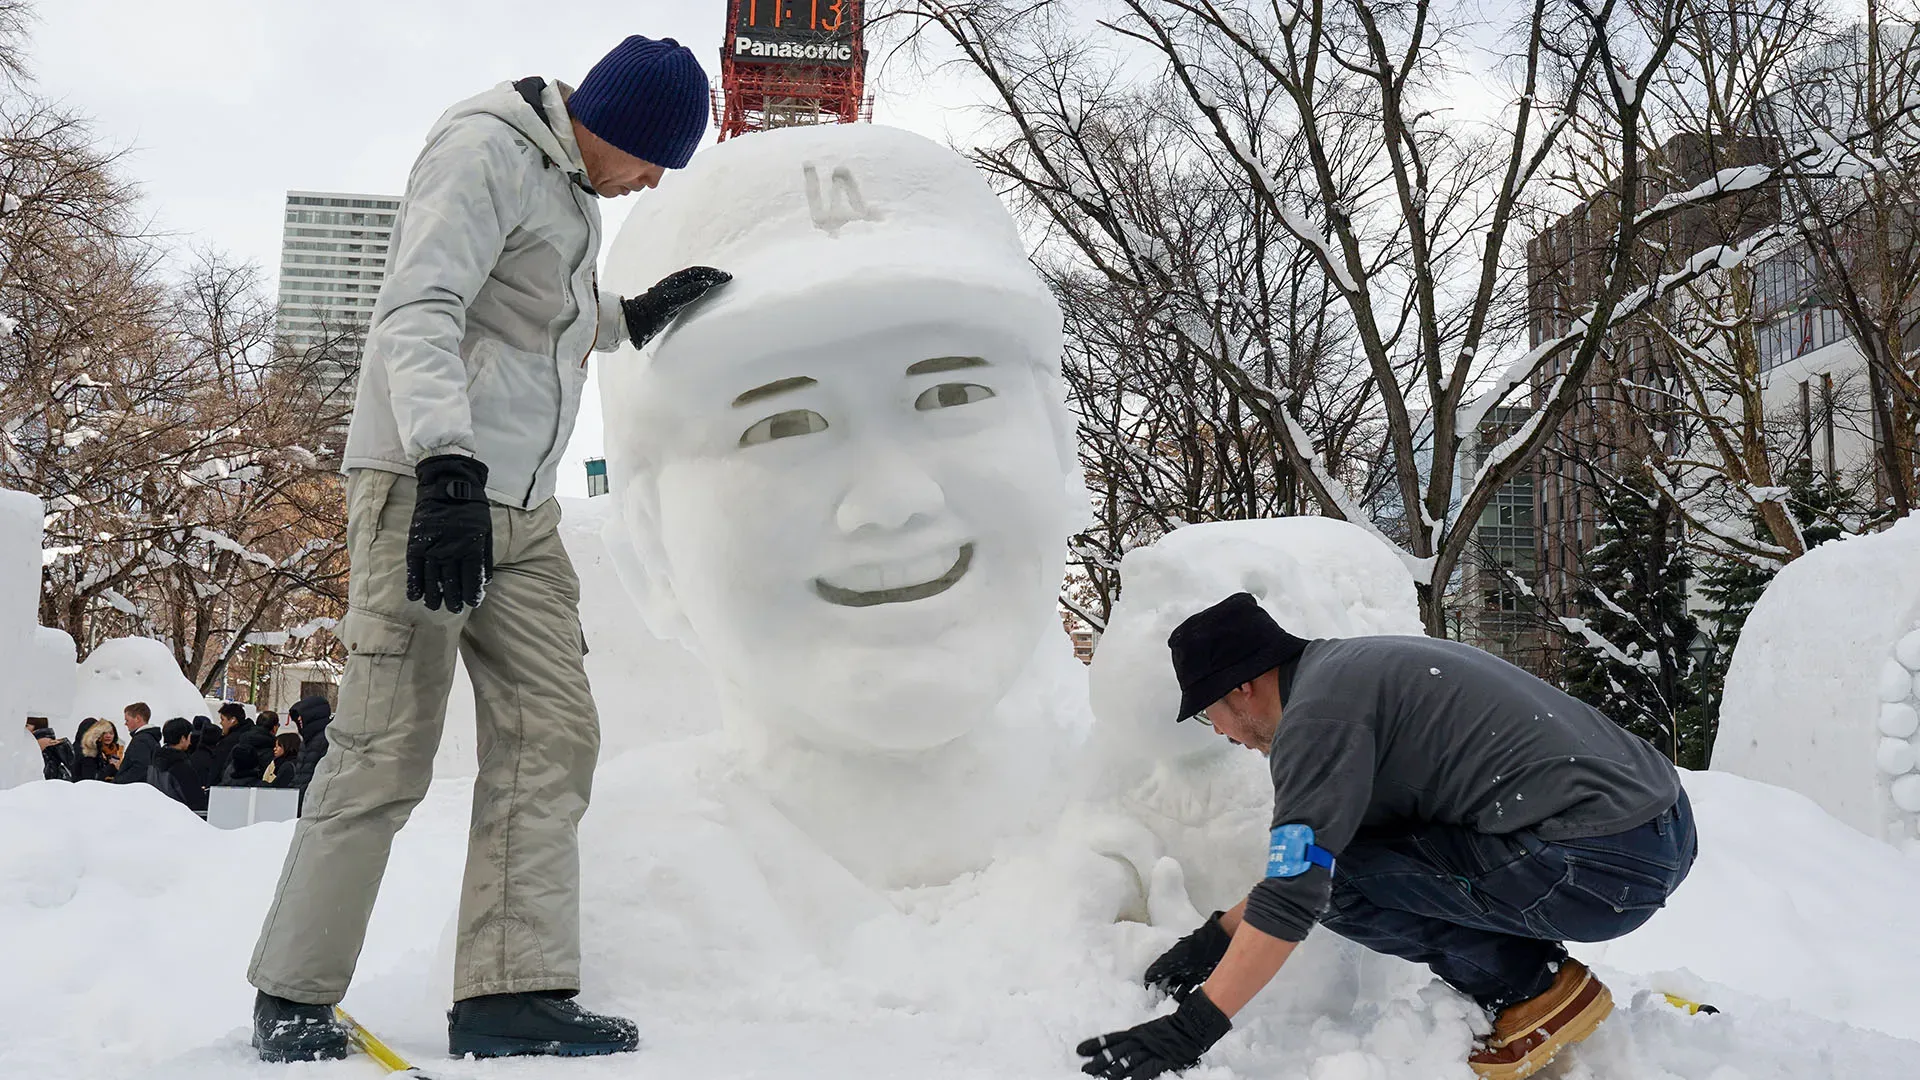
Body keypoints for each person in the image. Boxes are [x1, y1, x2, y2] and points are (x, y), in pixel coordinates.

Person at [247, 35, 727, 1065]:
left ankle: (511, 990)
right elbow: (418, 311)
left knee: (555, 732)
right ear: (614, 126)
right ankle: (291, 992)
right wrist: (447, 471)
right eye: (651, 162)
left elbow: (530, 317)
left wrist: (625, 317)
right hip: (428, 486)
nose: (647, 186)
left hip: (522, 507)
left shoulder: (569, 189)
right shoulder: (484, 148)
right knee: (384, 748)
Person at [1076, 593, 1697, 1080]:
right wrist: (1215, 938)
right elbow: (1315, 856)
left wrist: (1194, 1027)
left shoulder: (1317, 722)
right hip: (1653, 829)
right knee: (1353, 860)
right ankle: (1532, 980)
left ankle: (1533, 993)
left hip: (1594, 859)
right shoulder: (1347, 673)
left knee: (1336, 887)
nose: (1216, 731)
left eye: (1207, 710)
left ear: (1241, 685)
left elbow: (1302, 888)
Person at [147, 717, 208, 814]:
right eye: (189, 736)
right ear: (183, 738)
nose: (190, 741)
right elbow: (195, 800)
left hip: (158, 812)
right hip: (179, 816)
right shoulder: (181, 766)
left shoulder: (154, 760)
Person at [281, 696, 333, 789]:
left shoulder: (326, 739)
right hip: (303, 796)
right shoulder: (306, 741)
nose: (299, 719)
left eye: (301, 716)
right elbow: (299, 774)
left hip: (313, 797)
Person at [215, 705, 274, 787]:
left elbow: (220, 767)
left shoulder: (231, 741)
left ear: (233, 720)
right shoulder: (263, 740)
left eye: (222, 719)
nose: (221, 723)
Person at [113, 703, 159, 786]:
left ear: (137, 718)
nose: (125, 724)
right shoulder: (151, 738)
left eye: (127, 720)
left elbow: (140, 768)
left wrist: (118, 782)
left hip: (134, 790)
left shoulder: (141, 740)